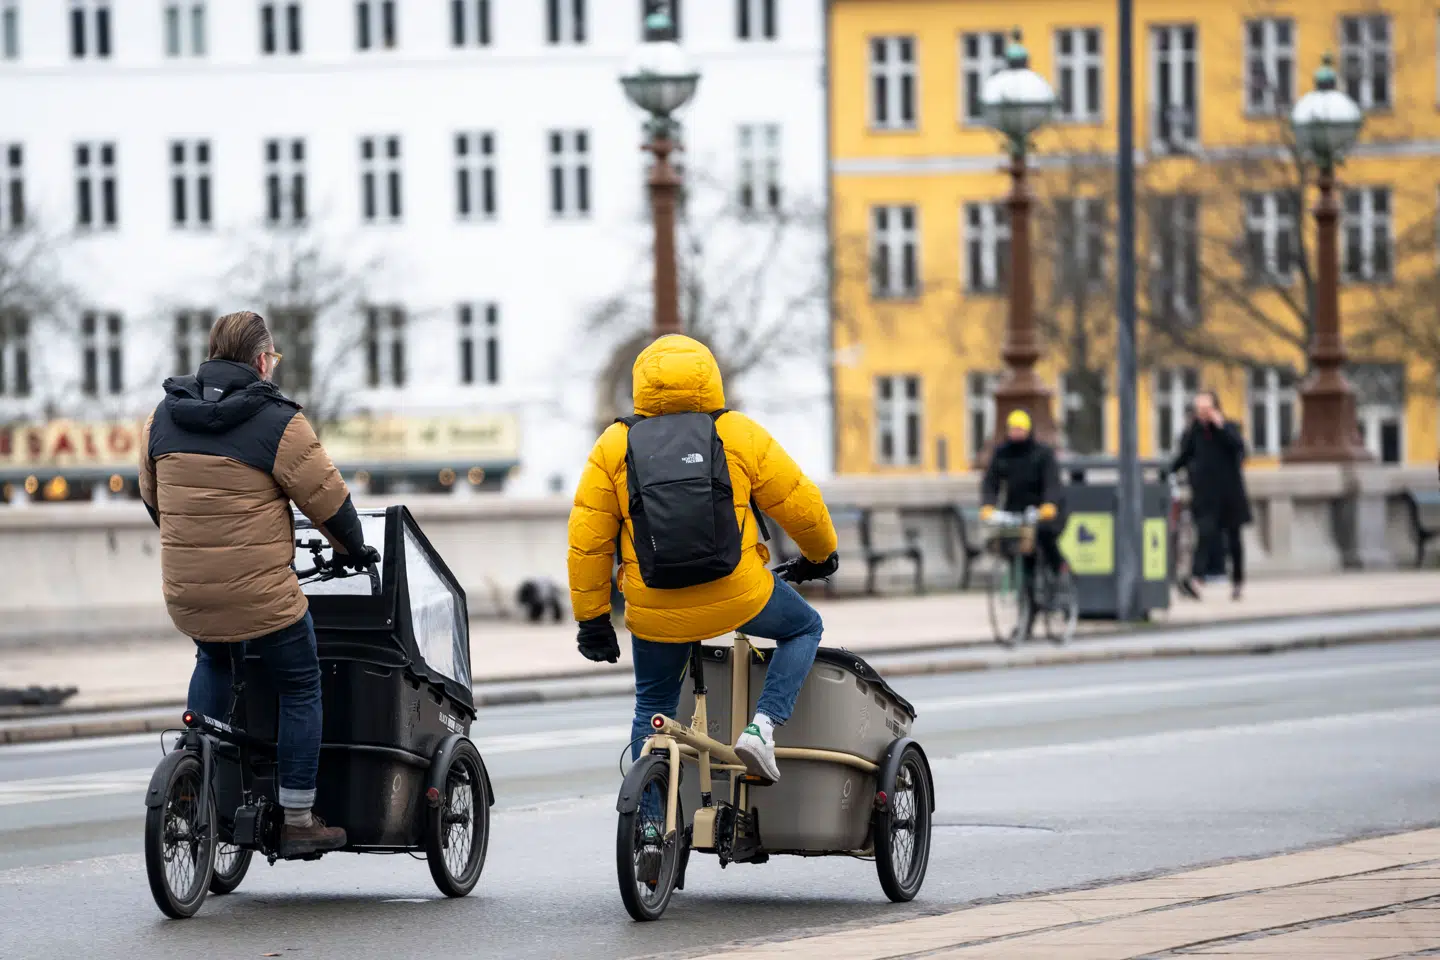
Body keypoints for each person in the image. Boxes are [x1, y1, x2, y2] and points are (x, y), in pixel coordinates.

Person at [138, 311, 378, 859]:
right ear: (262, 359)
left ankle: (194, 787)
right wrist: (356, 550)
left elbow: (155, 502)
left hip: (187, 590)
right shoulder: (278, 422)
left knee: (215, 659)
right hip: (261, 594)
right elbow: (330, 504)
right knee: (299, 681)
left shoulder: (161, 418)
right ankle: (296, 816)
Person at [566, 334, 838, 784]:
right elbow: (798, 500)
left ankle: (650, 829)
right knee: (805, 626)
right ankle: (762, 726)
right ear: (709, 378)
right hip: (739, 595)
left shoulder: (613, 444)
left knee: (652, 705)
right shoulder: (736, 432)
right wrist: (820, 555)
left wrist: (592, 620)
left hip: (656, 608)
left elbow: (588, 540)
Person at [1171, 390, 1251, 601]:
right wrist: (1166, 472)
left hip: (1230, 493)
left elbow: (1240, 449)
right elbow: (1182, 457)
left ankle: (1238, 581)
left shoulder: (1229, 427)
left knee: (1234, 539)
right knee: (1204, 534)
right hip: (1206, 494)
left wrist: (1221, 426)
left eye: (1207, 409)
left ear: (1215, 408)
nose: (1203, 414)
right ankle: (1196, 578)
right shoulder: (1193, 432)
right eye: (1199, 410)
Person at [980, 409, 1066, 585]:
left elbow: (1052, 483)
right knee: (1009, 541)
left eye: (1020, 429)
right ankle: (1025, 590)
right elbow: (991, 482)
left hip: (1044, 510)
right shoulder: (1002, 454)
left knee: (1044, 537)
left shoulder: (1042, 454)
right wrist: (988, 505)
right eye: (1013, 429)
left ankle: (1060, 573)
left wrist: (1049, 504)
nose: (1016, 433)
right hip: (1016, 510)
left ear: (1028, 430)